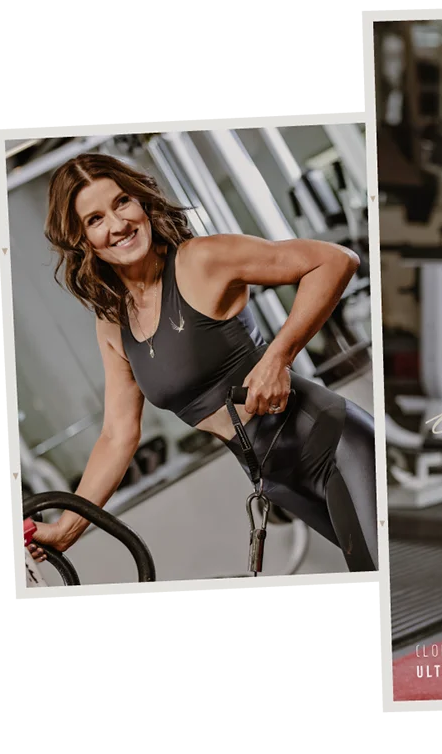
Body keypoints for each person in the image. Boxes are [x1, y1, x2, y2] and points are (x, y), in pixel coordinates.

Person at [26, 153, 378, 573]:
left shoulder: (200, 259)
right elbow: (118, 436)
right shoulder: (112, 322)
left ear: (141, 203)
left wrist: (277, 357)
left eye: (122, 202)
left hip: (329, 443)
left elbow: (335, 260)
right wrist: (68, 529)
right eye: (95, 219)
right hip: (273, 475)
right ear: (81, 239)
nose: (118, 224)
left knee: (379, 582)